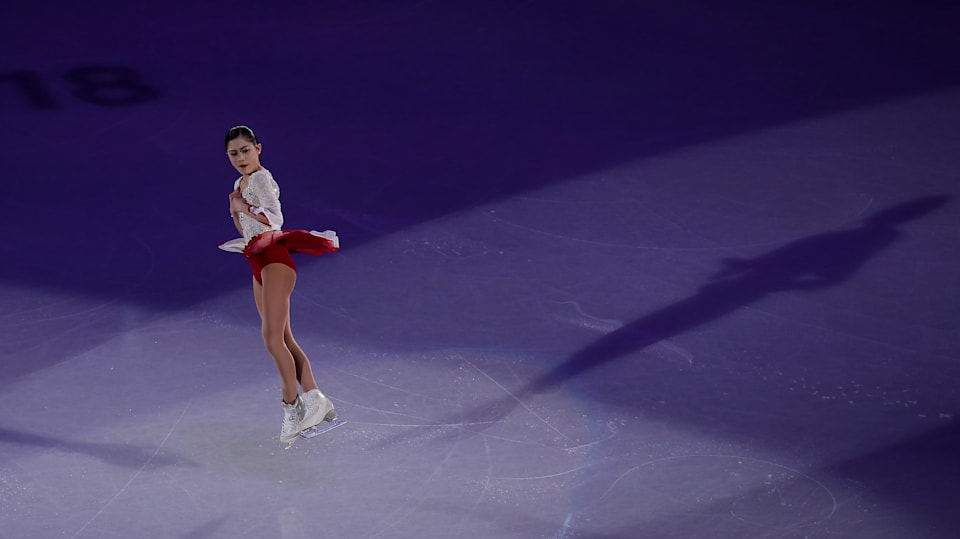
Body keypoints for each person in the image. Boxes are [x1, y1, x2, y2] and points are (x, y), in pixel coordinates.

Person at [218, 125, 341, 445]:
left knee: (271, 339)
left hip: (275, 261)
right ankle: (316, 398)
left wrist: (243, 207)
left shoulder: (260, 178)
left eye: (245, 150)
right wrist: (235, 209)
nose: (240, 158)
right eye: (233, 153)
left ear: (258, 149)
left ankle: (292, 406)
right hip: (257, 263)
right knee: (284, 338)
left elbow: (274, 219)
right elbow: (245, 229)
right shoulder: (239, 184)